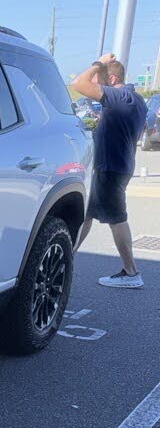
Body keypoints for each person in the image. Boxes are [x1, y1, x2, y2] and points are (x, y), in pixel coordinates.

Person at [71, 53, 147, 288]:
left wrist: (98, 63)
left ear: (112, 79)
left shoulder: (118, 96)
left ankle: (131, 272)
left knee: (117, 218)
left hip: (111, 167)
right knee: (87, 215)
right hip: (117, 165)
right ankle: (67, 258)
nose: (96, 84)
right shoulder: (136, 99)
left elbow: (78, 84)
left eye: (100, 79)